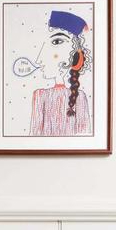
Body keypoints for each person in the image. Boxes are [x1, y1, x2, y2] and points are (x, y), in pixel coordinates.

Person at [27, 9, 92, 137]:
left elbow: (85, 137)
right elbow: (34, 137)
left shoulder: (80, 97)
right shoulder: (40, 96)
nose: (39, 58)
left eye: (56, 42)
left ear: (76, 55)